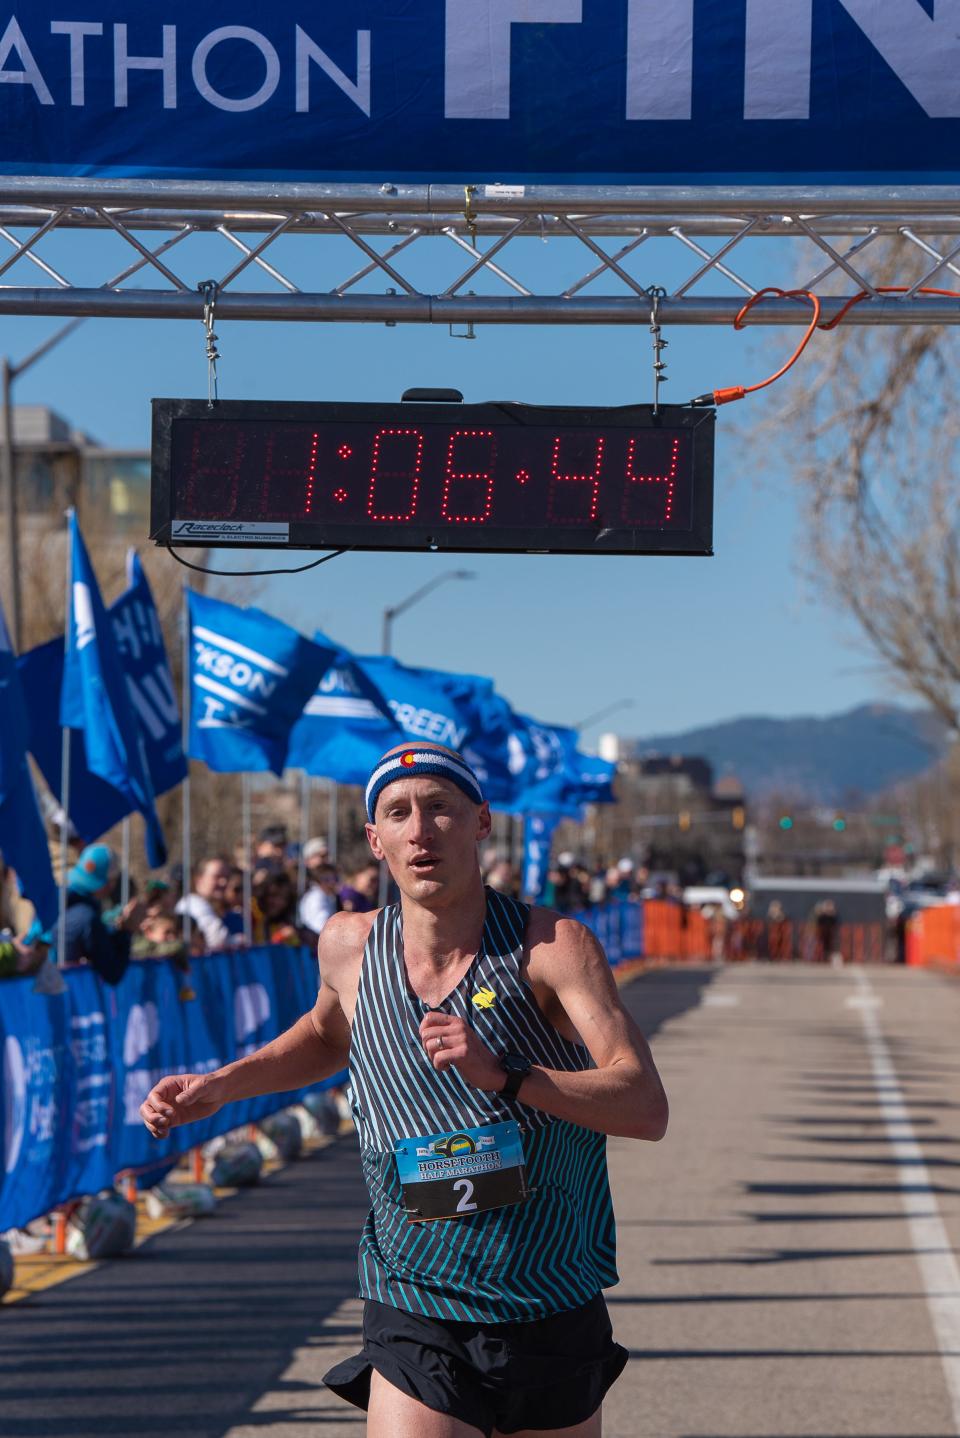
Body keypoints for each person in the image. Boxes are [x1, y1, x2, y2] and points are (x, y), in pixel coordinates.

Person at [141, 742, 668, 1438]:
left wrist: (508, 1076)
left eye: (439, 809)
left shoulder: (552, 947)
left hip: (549, 1290)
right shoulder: (349, 946)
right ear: (375, 838)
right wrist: (222, 1086)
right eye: (398, 813)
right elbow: (329, 1037)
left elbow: (642, 1104)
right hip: (416, 1295)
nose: (420, 830)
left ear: (480, 822)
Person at [61, 843, 146, 985]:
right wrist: (127, 930)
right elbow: (112, 973)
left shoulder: (58, 902)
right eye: (113, 880)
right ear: (107, 882)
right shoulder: (87, 918)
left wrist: (115, 929)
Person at [176, 856, 244, 951]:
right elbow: (217, 940)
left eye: (226, 877)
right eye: (217, 877)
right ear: (199, 879)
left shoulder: (227, 911)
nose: (223, 882)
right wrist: (239, 940)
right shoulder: (191, 904)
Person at [298, 858, 340, 940]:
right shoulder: (317, 896)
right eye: (328, 879)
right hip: (316, 942)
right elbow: (321, 926)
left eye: (335, 878)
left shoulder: (326, 896)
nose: (333, 882)